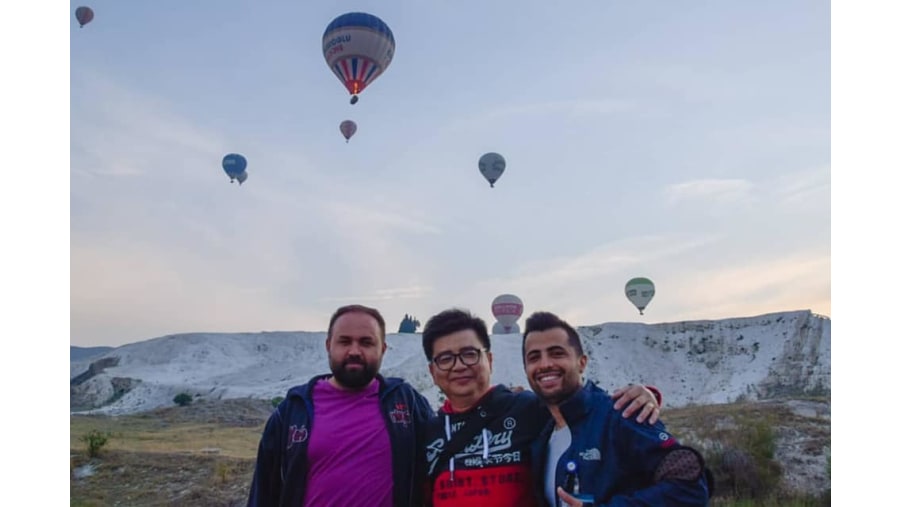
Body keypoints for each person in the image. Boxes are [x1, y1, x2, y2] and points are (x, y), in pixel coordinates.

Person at [421, 308, 663, 507]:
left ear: (490, 360)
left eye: (469, 354)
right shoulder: (423, 433)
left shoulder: (527, 408)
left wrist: (643, 395)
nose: (459, 366)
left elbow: (581, 404)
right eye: (445, 358)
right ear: (432, 372)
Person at [247, 304, 435, 507]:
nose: (354, 351)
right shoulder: (292, 411)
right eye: (344, 341)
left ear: (383, 349)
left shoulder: (406, 402)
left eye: (366, 342)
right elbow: (263, 492)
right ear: (328, 345)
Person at [522, 311, 710, 506]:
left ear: (582, 363)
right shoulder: (540, 433)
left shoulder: (621, 414)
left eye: (557, 353)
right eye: (534, 358)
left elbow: (690, 487)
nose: (545, 364)